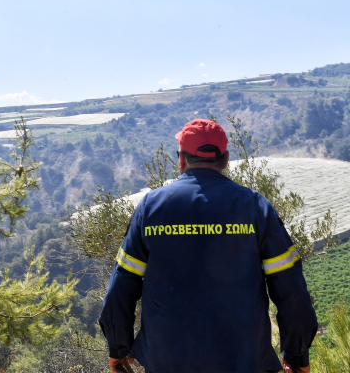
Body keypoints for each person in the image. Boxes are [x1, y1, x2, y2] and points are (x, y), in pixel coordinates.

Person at [99, 119, 317, 373]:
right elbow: (292, 291)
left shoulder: (150, 208)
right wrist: (296, 355)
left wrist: (118, 348)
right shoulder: (255, 208)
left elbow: (121, 286)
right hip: (244, 361)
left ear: (181, 159)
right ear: (224, 160)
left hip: (167, 362)